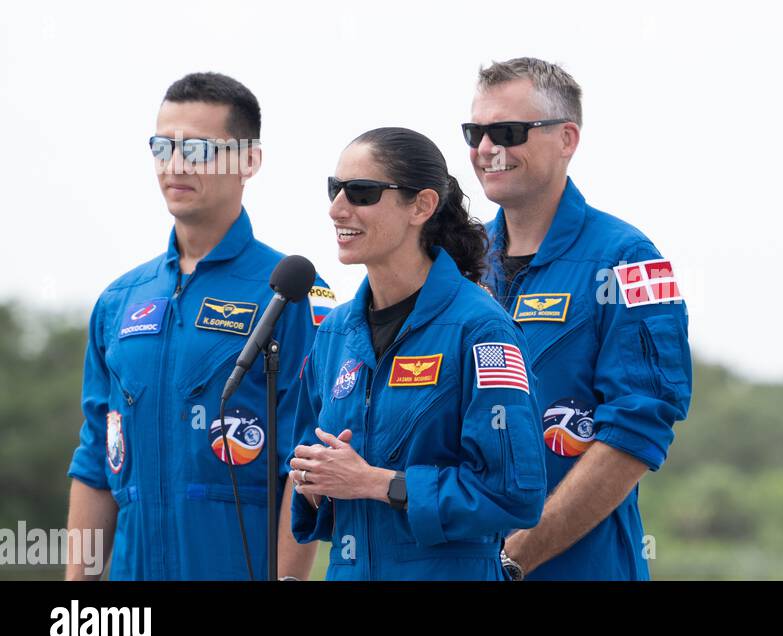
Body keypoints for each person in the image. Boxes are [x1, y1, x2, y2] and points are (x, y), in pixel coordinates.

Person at [66, 72, 329, 580]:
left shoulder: (290, 294)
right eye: (162, 147)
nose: (175, 165)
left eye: (199, 149)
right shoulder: (119, 302)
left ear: (249, 160)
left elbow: (305, 466)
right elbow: (97, 461)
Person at [465, 58, 692, 580]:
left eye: (507, 132)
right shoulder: (458, 262)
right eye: (474, 132)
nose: (485, 149)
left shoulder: (632, 261)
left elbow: (637, 430)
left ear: (567, 138)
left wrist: (513, 559)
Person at [288, 127, 546, 580]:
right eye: (335, 189)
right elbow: (314, 474)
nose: (336, 208)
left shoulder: (481, 329)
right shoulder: (333, 333)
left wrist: (376, 483)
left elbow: (514, 495)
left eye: (361, 192)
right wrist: (312, 482)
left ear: (422, 206)